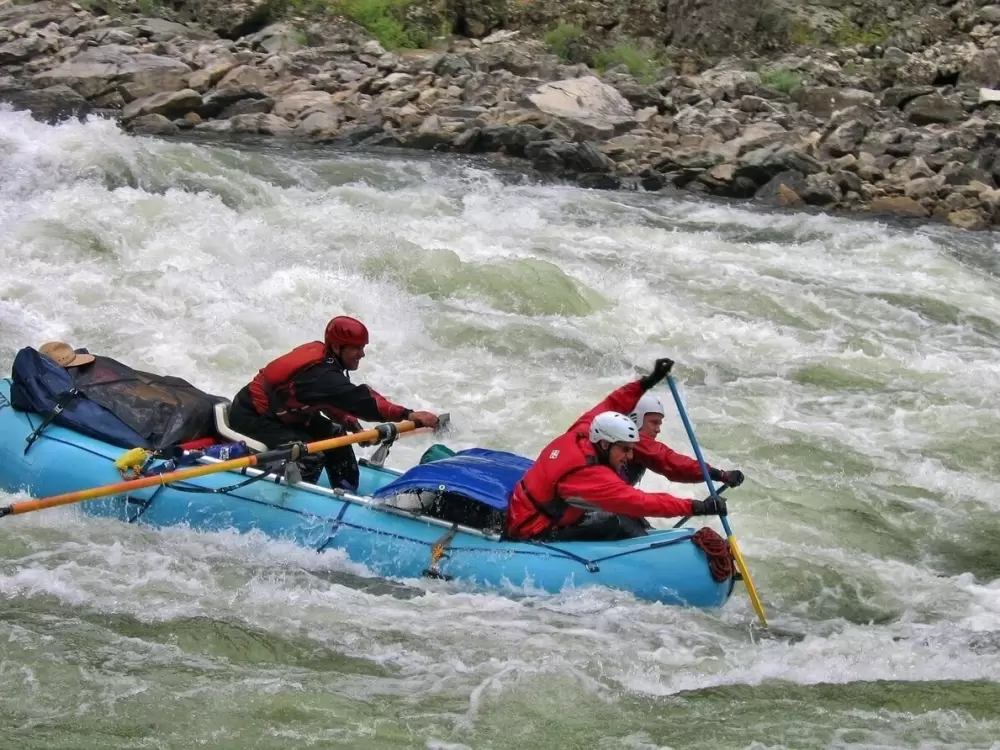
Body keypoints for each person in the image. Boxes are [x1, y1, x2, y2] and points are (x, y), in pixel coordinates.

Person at [505, 359, 730, 542]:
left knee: (616, 516)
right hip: (533, 529)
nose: (630, 457)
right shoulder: (590, 473)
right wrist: (697, 507)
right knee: (613, 521)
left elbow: (613, 403)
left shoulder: (582, 432)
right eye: (624, 450)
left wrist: (647, 382)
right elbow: (640, 501)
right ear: (605, 444)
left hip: (526, 508)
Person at [227, 315, 440, 490]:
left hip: (285, 417)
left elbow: (326, 400)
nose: (362, 354)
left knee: (337, 434)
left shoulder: (326, 364)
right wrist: (408, 414)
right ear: (338, 347)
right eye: (357, 348)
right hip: (252, 415)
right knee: (308, 455)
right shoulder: (320, 375)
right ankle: (293, 503)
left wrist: (352, 425)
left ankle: (347, 492)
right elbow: (363, 401)